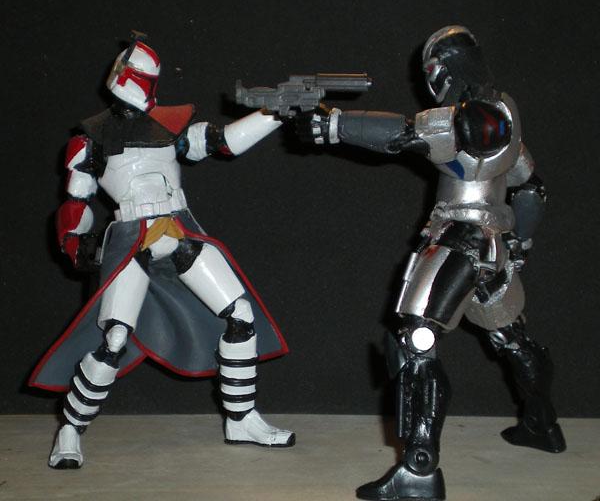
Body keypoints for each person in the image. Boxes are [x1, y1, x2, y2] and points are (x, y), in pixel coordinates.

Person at [296, 25, 565, 501]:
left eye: (434, 71)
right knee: (512, 337)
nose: (432, 80)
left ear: (448, 67)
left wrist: (334, 125)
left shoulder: (469, 118)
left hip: (459, 240)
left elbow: (404, 134)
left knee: (415, 341)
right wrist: (519, 243)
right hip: (495, 247)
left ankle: (418, 471)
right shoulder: (506, 115)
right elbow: (530, 186)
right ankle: (542, 424)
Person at [29, 35, 294, 469]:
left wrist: (274, 113)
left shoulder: (169, 126)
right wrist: (75, 243)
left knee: (240, 314)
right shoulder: (90, 138)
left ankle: (242, 418)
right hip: (131, 238)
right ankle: (71, 427)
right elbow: (76, 203)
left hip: (176, 229)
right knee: (114, 338)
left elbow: (221, 141)